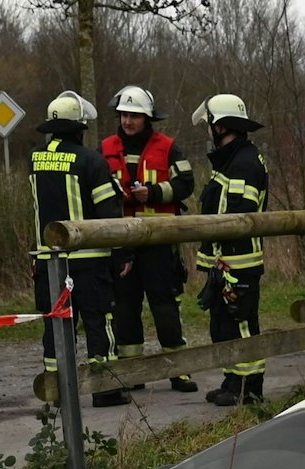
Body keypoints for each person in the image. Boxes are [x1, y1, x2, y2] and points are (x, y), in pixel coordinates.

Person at [30, 90, 131, 408]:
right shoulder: (91, 161)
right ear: (79, 127)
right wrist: (121, 252)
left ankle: (57, 390)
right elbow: (109, 214)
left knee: (55, 326)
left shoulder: (35, 160)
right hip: (88, 263)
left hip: (48, 262)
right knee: (99, 322)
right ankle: (105, 389)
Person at [102, 85, 197, 393]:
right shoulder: (104, 149)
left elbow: (186, 183)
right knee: (125, 308)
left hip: (159, 241)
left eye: (135, 116)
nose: (128, 121)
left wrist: (154, 193)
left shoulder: (168, 147)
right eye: (124, 115)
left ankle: (178, 371)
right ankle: (132, 373)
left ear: (148, 118)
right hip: (121, 242)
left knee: (165, 305)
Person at [191, 93, 270, 407]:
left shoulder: (244, 163)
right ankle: (232, 381)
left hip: (238, 263)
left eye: (208, 125)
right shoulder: (233, 159)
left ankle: (249, 388)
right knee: (223, 325)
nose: (206, 132)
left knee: (241, 322)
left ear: (221, 126)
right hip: (224, 263)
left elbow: (237, 215)